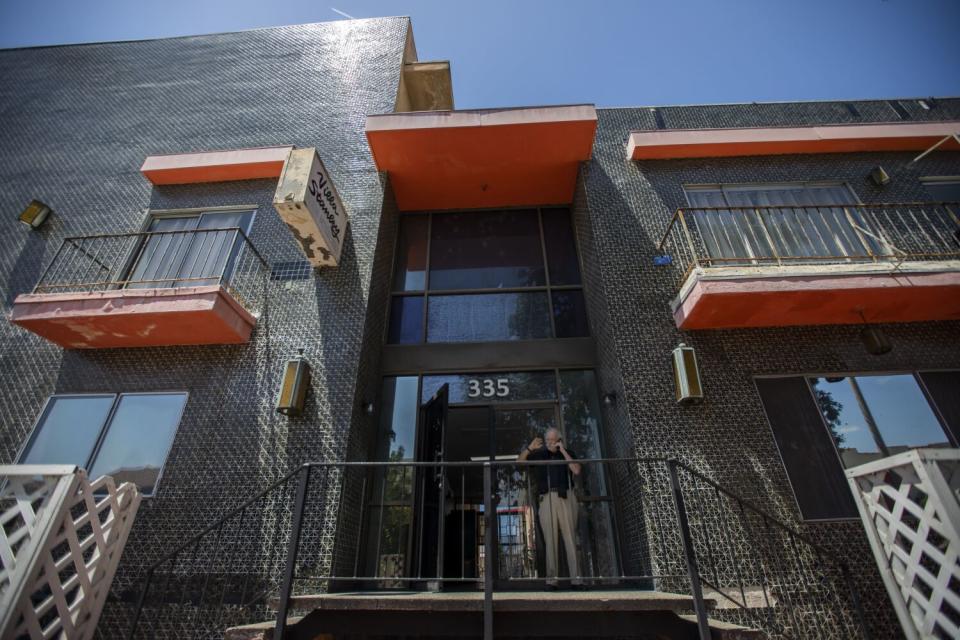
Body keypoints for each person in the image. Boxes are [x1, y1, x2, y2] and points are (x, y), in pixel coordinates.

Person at [518, 427, 584, 589]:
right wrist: (529, 448)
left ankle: (577, 580)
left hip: (565, 497)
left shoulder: (567, 453)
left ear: (559, 440)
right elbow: (519, 462)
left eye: (553, 440)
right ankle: (551, 581)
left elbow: (576, 470)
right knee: (550, 541)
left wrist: (562, 450)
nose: (549, 443)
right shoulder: (539, 454)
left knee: (570, 539)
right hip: (546, 499)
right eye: (547, 440)